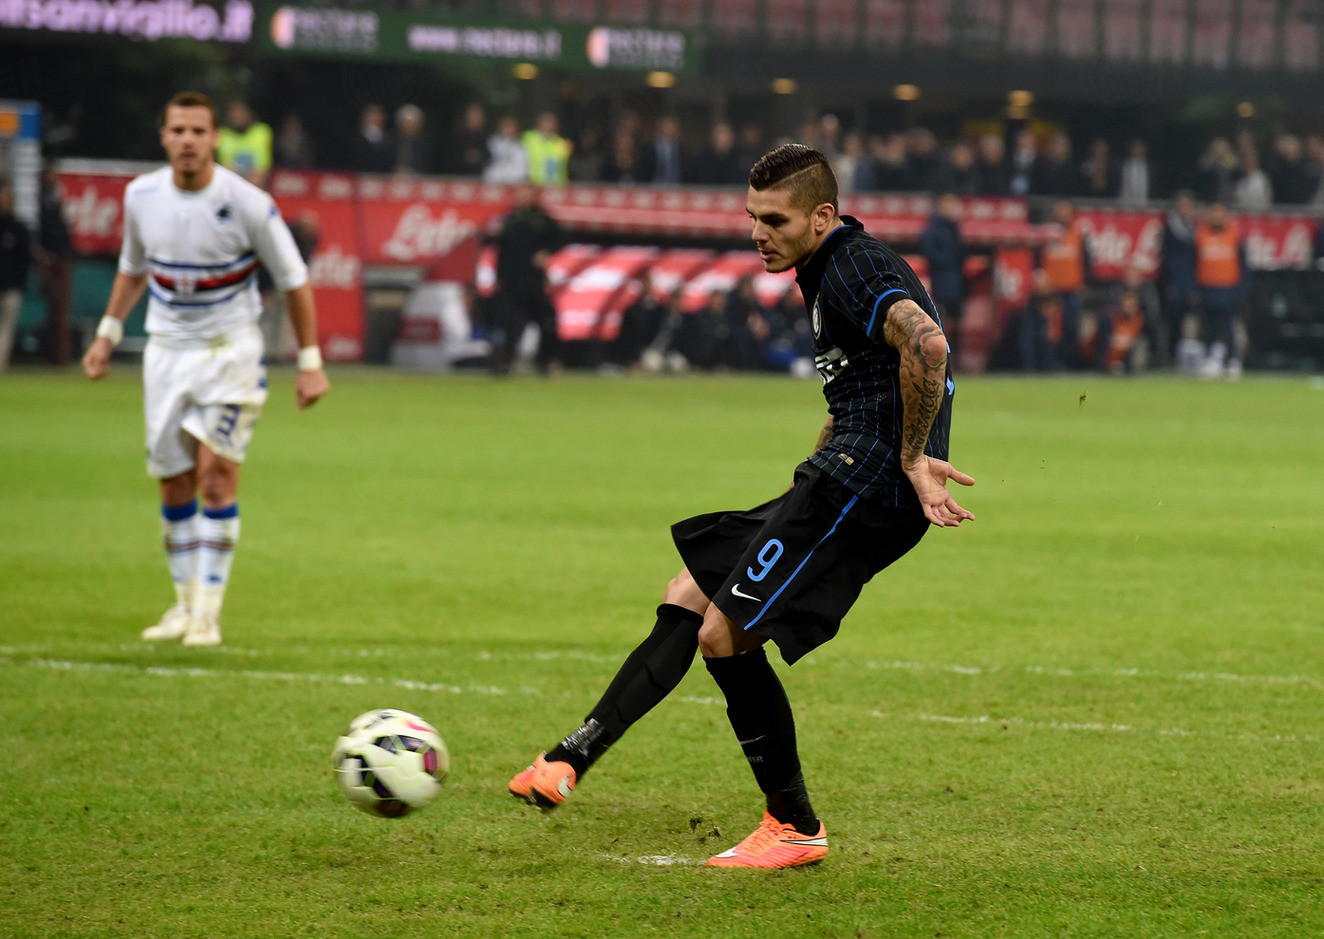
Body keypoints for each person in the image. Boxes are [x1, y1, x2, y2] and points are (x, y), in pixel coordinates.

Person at [508, 144, 974, 869]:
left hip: (865, 488)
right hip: (838, 476)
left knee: (723, 634)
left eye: (775, 220)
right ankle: (570, 756)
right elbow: (865, 384)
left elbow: (929, 346)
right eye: (752, 217)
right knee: (689, 591)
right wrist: (819, 467)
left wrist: (913, 457)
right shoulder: (826, 267)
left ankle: (793, 824)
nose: (758, 233)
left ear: (821, 216)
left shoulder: (852, 266)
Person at [80, 91, 330, 647]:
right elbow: (132, 269)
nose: (188, 141)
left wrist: (310, 362)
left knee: (216, 475)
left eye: (198, 131)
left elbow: (294, 280)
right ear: (163, 137)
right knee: (174, 483)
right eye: (178, 131)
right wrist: (107, 334)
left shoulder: (248, 203)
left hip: (230, 353)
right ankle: (184, 603)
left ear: (216, 138)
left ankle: (208, 614)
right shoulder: (141, 196)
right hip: (166, 354)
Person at [490, 181, 565, 375]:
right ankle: (504, 361)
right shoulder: (509, 220)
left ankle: (546, 360)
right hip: (511, 280)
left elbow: (561, 239)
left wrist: (546, 253)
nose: (522, 197)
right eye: (520, 193)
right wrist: (498, 277)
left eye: (526, 193)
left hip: (533, 280)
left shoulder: (542, 220)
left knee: (547, 320)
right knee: (509, 323)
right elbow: (501, 252)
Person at [1193, 201, 1248, 379]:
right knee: (1208, 327)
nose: (1217, 218)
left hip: (1228, 287)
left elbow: (1244, 265)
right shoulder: (1200, 234)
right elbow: (1193, 263)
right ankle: (1211, 360)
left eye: (1220, 214)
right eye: (1214, 214)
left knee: (1229, 326)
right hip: (1207, 287)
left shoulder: (1235, 235)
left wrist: (1242, 289)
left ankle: (1232, 360)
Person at [1037, 199, 1093, 369]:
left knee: (1071, 327)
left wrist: (1084, 282)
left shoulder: (1078, 234)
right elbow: (1037, 259)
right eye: (1061, 211)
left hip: (1071, 289)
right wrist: (1040, 277)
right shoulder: (1046, 233)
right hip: (1051, 291)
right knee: (1051, 331)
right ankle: (1050, 363)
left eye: (1067, 212)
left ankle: (1068, 363)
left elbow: (1087, 261)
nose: (1064, 215)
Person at [918, 192, 967, 367]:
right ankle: (942, 358)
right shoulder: (934, 228)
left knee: (956, 319)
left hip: (956, 280)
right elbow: (928, 250)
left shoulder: (954, 227)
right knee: (942, 319)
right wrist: (948, 260)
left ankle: (956, 358)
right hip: (942, 280)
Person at [0, 178, 33, 371]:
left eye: (7, 195)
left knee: (6, 328)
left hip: (11, 287)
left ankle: (1, 367)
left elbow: (25, 260)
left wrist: (20, 285)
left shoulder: (19, 228)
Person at [216, 100, 273, 189]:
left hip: (256, 187)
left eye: (241, 112)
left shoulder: (261, 132)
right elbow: (226, 170)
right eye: (234, 113)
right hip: (232, 187)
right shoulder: (222, 135)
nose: (238, 116)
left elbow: (262, 169)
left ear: (249, 113)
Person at [522, 111, 572, 186]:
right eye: (545, 121)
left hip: (556, 185)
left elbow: (563, 167)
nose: (548, 125)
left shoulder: (561, 143)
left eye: (551, 122)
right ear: (539, 123)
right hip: (534, 184)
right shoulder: (528, 138)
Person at [351, 104, 394, 174]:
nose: (376, 118)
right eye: (372, 115)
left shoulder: (389, 138)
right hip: (361, 174)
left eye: (378, 116)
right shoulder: (357, 138)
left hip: (383, 175)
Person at [393, 104, 431, 176]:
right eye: (407, 123)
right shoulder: (392, 140)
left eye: (413, 123)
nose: (410, 126)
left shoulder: (425, 142)